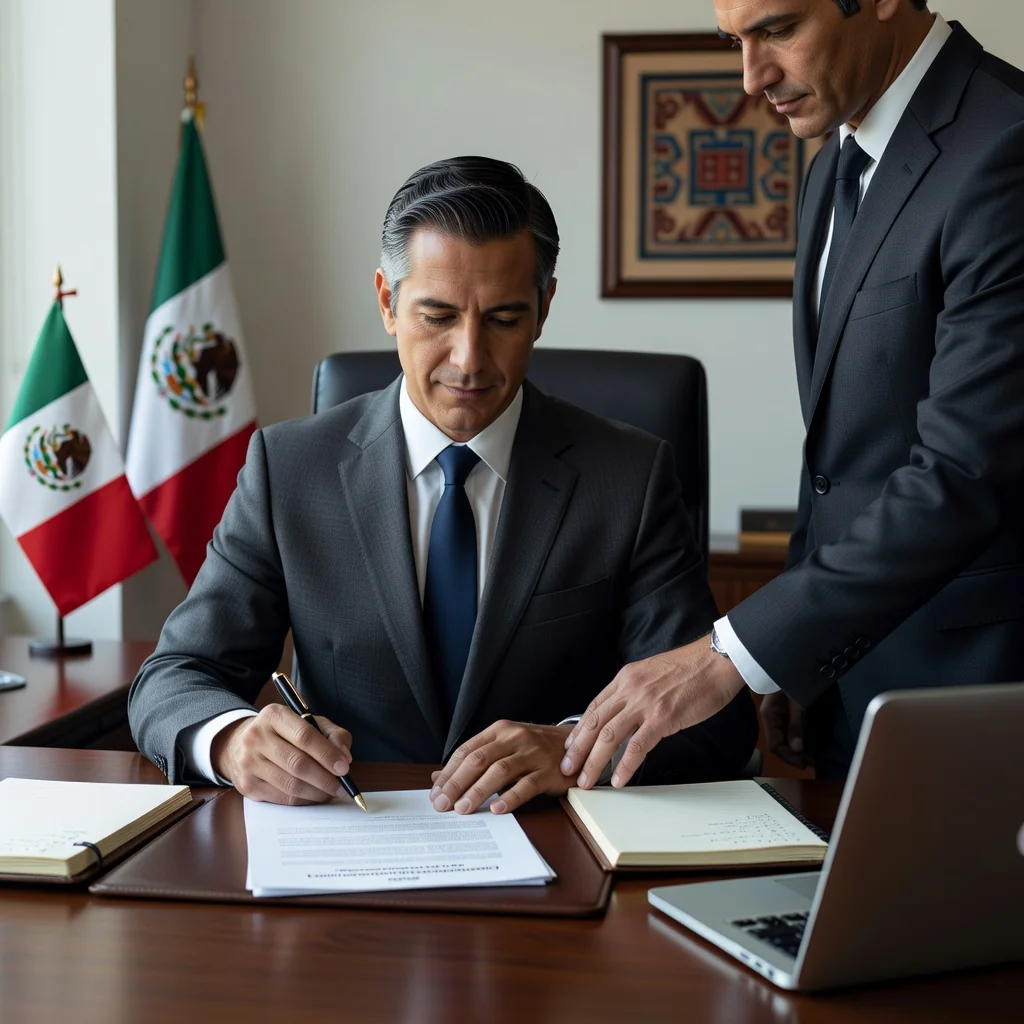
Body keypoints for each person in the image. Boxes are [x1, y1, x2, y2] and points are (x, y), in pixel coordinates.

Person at [129, 156, 757, 812]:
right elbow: (175, 677)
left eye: (505, 320)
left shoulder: (628, 477)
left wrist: (570, 749)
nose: (469, 358)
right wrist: (232, 742)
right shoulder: (288, 470)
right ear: (387, 303)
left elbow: (716, 720)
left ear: (543, 309)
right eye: (437, 316)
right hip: (353, 848)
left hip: (555, 854)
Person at [562, 0, 1024, 787]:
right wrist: (797, 659)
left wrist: (735, 654)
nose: (751, 78)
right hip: (850, 683)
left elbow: (962, 472)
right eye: (734, 41)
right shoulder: (829, 166)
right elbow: (841, 462)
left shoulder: (1007, 147)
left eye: (776, 30)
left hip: (974, 700)